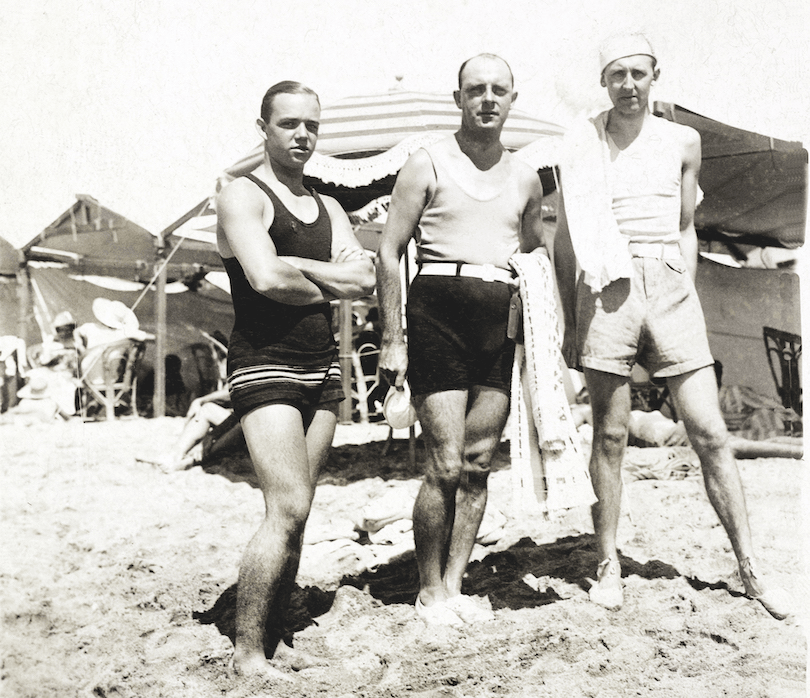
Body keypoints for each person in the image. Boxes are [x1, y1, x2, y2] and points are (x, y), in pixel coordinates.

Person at [553, 33, 790, 619]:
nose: (628, 85)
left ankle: (750, 567)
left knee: (709, 432)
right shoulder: (583, 143)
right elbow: (564, 238)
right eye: (617, 75)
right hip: (605, 284)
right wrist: (567, 318)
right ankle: (608, 563)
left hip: (668, 282)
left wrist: (681, 286)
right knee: (608, 437)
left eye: (638, 73)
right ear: (603, 81)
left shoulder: (684, 139)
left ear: (655, 74)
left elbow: (686, 223)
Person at [376, 54, 546, 626]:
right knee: (444, 464)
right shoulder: (426, 162)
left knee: (477, 464)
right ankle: (428, 592)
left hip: (499, 324)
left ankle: (454, 585)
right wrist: (393, 338)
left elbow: (532, 256)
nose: (488, 99)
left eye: (499, 89)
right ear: (458, 99)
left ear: (513, 98)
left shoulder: (526, 176)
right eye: (476, 90)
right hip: (437, 314)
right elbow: (388, 249)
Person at [216, 80, 375, 678]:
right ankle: (248, 654)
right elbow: (265, 280)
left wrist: (298, 265)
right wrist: (323, 271)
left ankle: (277, 632)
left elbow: (362, 284)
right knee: (285, 505)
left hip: (321, 365)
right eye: (289, 124)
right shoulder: (242, 196)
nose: (303, 134)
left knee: (301, 510)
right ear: (264, 127)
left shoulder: (330, 207)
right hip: (263, 361)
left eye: (312, 124)